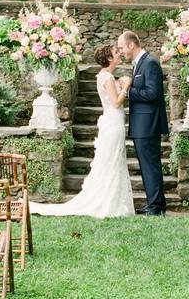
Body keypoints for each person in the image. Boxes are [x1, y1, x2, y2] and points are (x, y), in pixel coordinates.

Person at [29, 45, 134, 218]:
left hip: (112, 120)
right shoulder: (107, 77)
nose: (120, 54)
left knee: (114, 159)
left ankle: (114, 201)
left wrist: (120, 83)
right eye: (116, 53)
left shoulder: (104, 76)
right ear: (109, 58)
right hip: (113, 120)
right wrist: (126, 86)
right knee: (112, 159)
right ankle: (109, 203)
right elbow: (116, 102)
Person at [116, 31, 169, 216]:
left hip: (148, 124)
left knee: (150, 166)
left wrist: (128, 91)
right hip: (142, 124)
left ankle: (156, 207)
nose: (120, 51)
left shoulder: (150, 62)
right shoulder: (140, 62)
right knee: (147, 166)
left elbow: (152, 94)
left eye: (121, 47)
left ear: (131, 45)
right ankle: (154, 203)